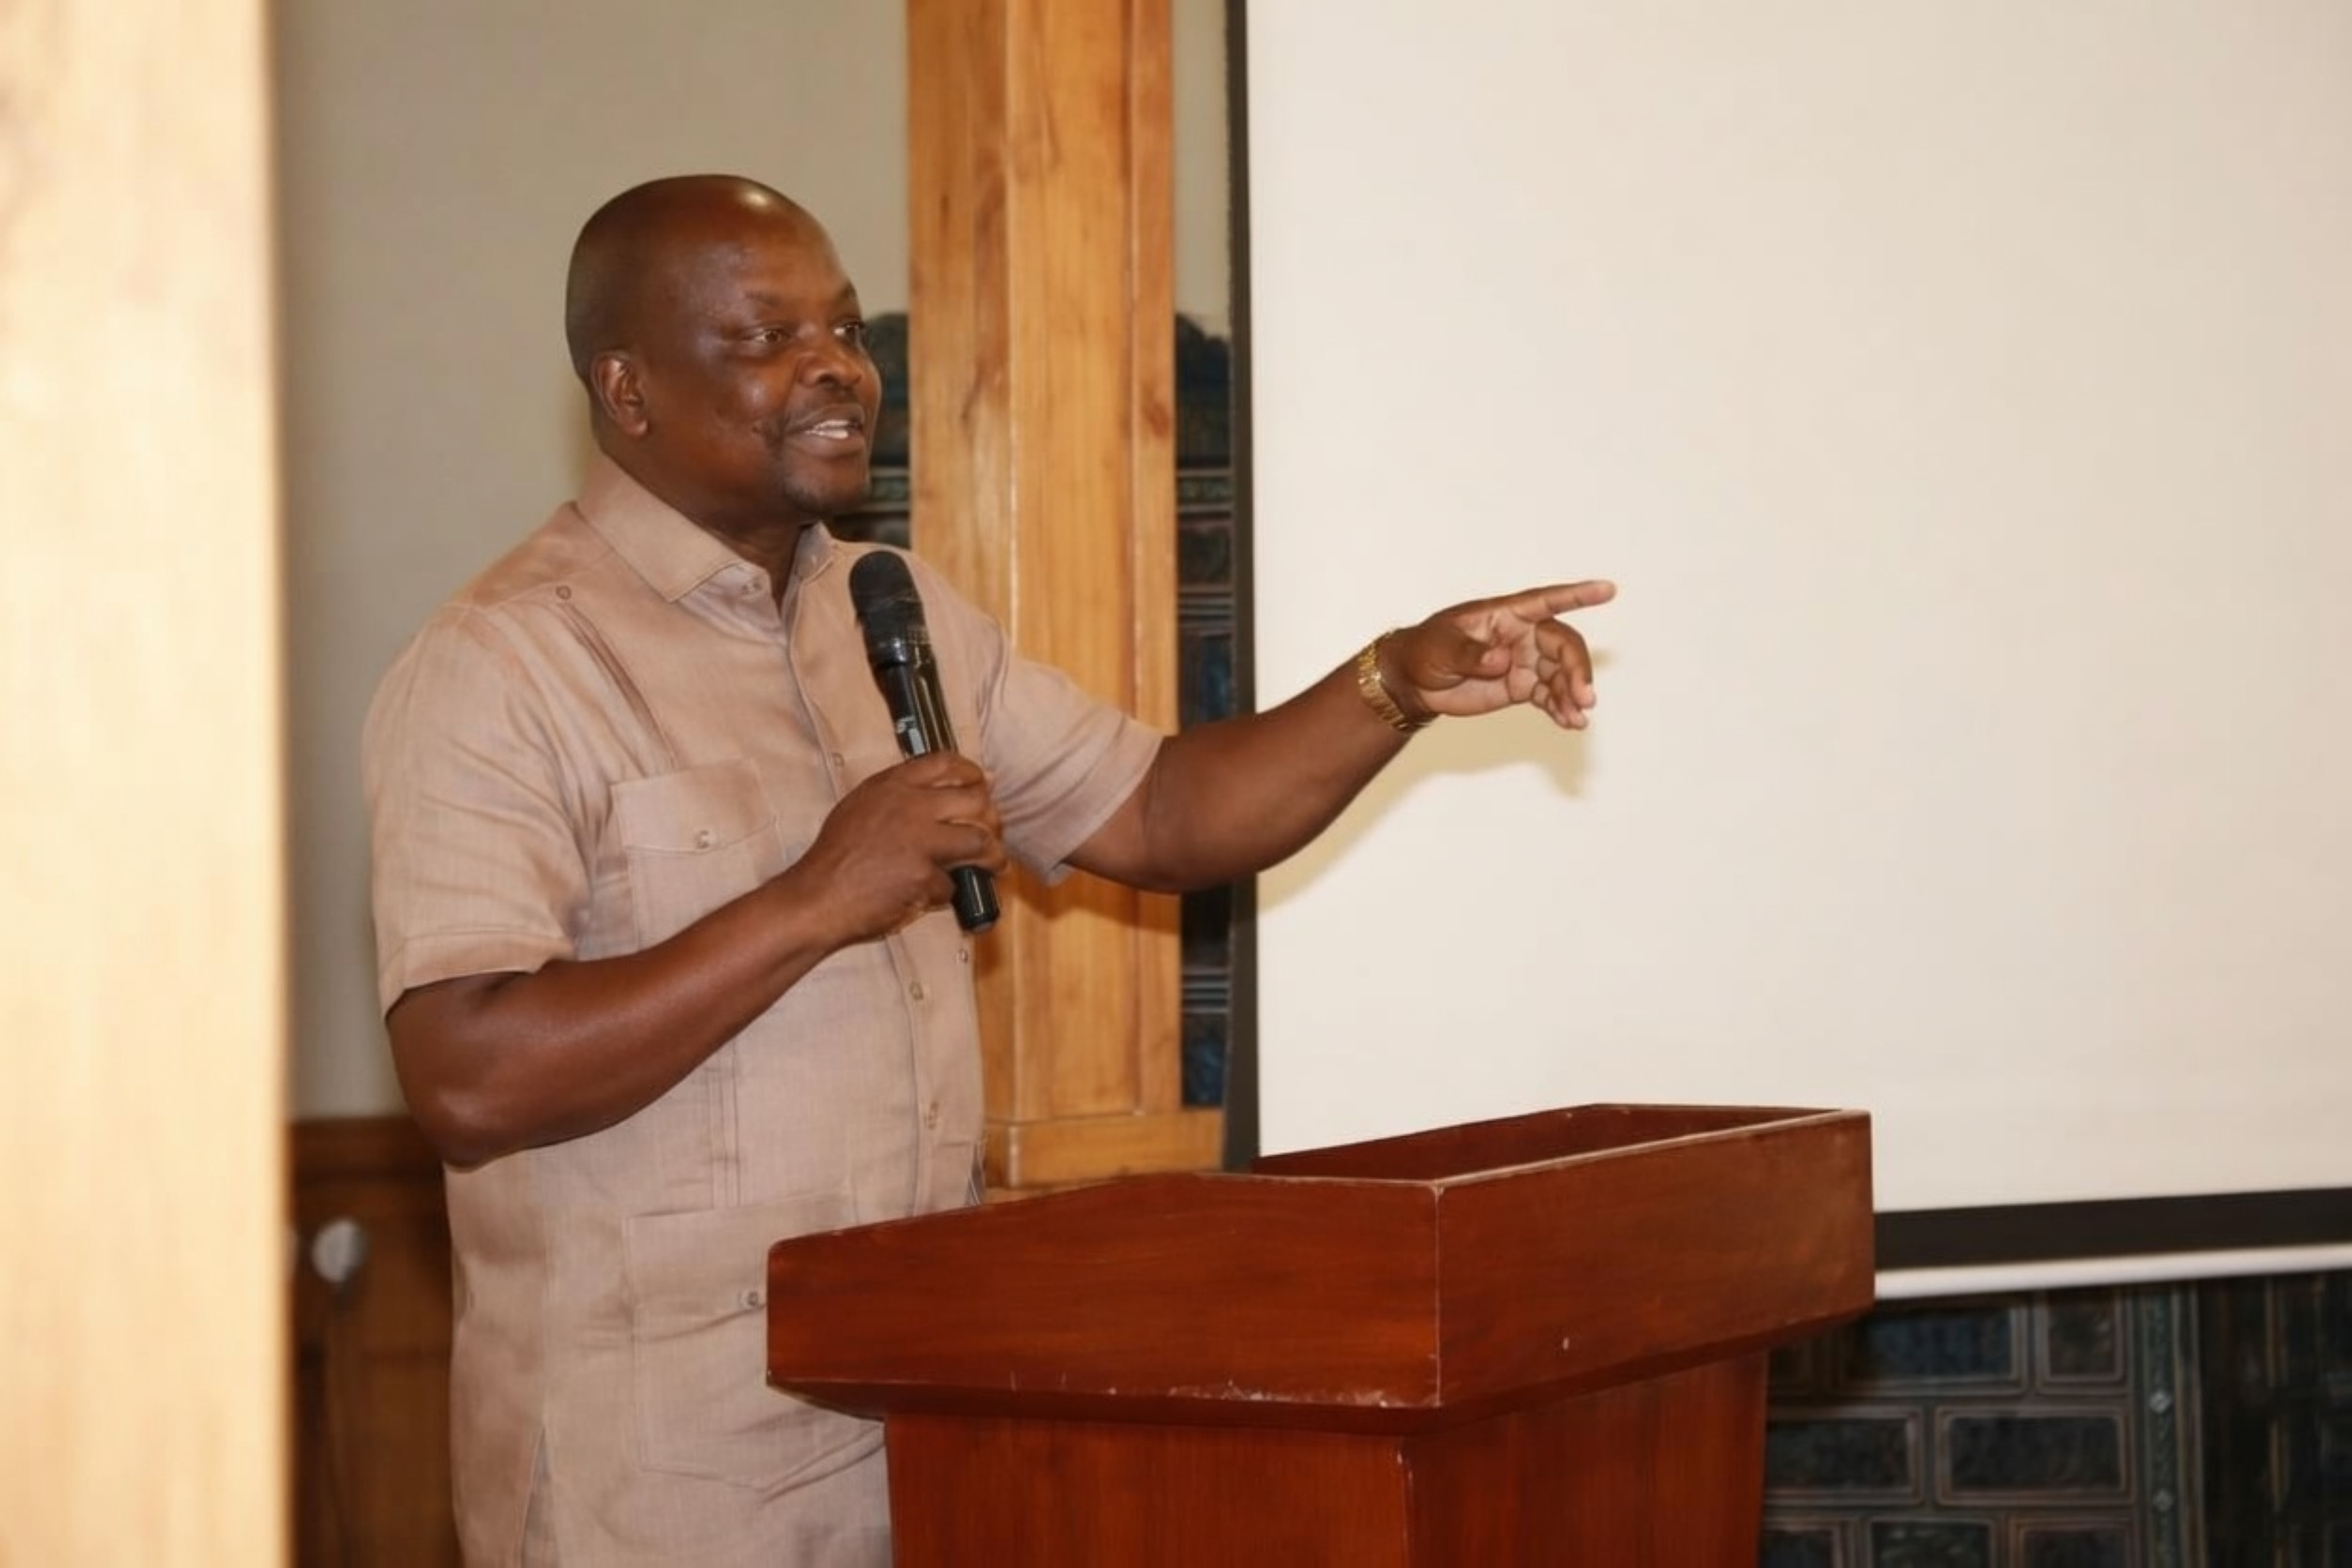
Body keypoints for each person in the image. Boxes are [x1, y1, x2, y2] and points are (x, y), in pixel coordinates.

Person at [363, 172, 1614, 1567]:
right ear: (629, 388)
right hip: (659, 1480)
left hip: (918, 1428)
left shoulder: (889, 608)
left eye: (842, 328)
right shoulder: (501, 665)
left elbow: (1163, 810)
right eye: (769, 337)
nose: (839, 365)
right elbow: (465, 1072)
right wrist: (817, 896)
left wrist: (1395, 677)